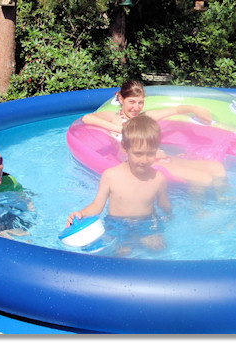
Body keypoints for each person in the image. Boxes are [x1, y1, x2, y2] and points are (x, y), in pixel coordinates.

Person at [81, 80, 227, 187]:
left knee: (216, 167)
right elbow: (87, 118)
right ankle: (200, 212)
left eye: (140, 103)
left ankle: (225, 199)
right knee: (203, 178)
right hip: (145, 165)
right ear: (121, 99)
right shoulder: (114, 118)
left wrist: (194, 109)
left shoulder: (144, 117)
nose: (136, 108)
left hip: (163, 158)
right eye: (132, 102)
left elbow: (176, 110)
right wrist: (121, 129)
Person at [67, 116, 172, 252]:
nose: (144, 160)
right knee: (123, 253)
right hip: (117, 224)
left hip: (147, 222)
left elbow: (163, 204)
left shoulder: (158, 178)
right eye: (138, 154)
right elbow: (97, 206)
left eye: (150, 154)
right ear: (124, 147)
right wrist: (80, 214)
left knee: (158, 249)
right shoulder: (111, 176)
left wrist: (169, 216)